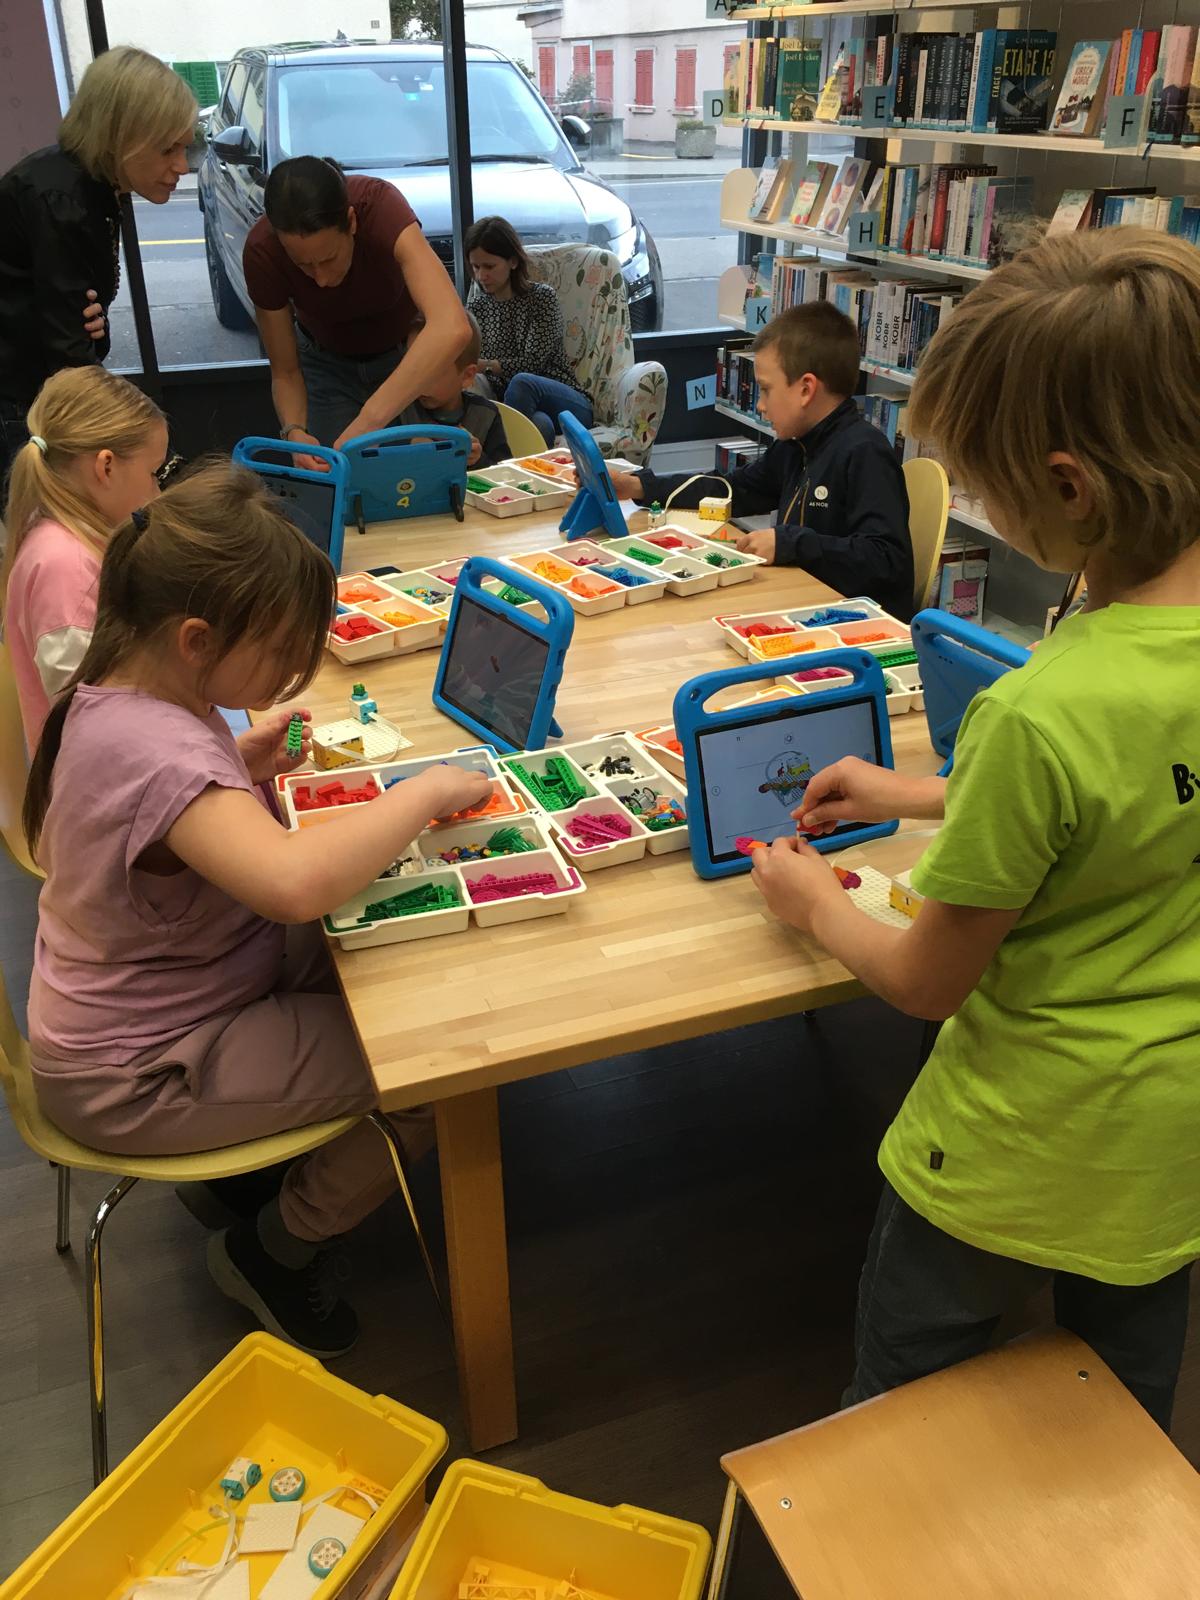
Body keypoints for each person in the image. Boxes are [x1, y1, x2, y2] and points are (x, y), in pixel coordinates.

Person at [748, 229, 1200, 1431]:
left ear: (1070, 488)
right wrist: (913, 792)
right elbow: (1145, 792)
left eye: (991, 485)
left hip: (1013, 1146)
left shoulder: (1038, 712)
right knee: (1127, 1426)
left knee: (892, 1412)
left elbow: (925, 981)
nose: (985, 504)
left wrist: (815, 903)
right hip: (1168, 1151)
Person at [22, 461, 490, 1355]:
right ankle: (275, 1248)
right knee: (439, 1064)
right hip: (138, 1073)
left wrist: (235, 764)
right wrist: (423, 791)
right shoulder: (161, 748)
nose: (288, 675)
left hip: (139, 1016)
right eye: (279, 654)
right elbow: (293, 883)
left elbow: (154, 816)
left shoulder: (125, 689)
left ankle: (249, 1175)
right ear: (196, 639)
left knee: (376, 964)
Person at [609, 302, 915, 621]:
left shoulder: (865, 452)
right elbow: (732, 489)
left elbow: (886, 559)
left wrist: (790, 544)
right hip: (806, 604)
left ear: (806, 389)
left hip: (858, 624)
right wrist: (640, 486)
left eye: (766, 390)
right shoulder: (796, 446)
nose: (760, 405)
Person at [0, 46, 196, 483]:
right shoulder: (60, 200)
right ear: (119, 137)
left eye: (185, 148)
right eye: (168, 149)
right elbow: (70, 356)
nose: (183, 166)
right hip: (18, 398)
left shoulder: (96, 186)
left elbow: (80, 321)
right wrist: (149, 454)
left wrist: (90, 323)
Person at [243, 156, 471, 458]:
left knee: (417, 472)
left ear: (351, 222)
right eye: (303, 265)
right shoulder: (262, 250)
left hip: (404, 357)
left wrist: (369, 421)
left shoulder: (380, 206)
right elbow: (285, 371)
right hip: (325, 363)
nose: (321, 279)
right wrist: (294, 431)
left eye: (329, 258)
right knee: (334, 474)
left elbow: (452, 326)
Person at [2, 367, 168, 750]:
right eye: (153, 473)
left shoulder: (57, 533)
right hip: (108, 779)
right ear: (105, 466)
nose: (157, 493)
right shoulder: (65, 567)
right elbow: (97, 728)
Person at [465, 215, 594, 448]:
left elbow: (533, 364)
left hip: (567, 403)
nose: (481, 275)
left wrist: (486, 365)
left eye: (489, 266)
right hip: (521, 408)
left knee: (522, 382)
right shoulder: (477, 307)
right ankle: (521, 467)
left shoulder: (541, 298)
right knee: (540, 425)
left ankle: (500, 450)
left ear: (513, 262)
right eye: (476, 267)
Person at [397, 311, 508, 469]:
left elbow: (504, 474)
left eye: (432, 373)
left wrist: (477, 460)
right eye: (412, 369)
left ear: (467, 376)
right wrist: (404, 447)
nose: (419, 383)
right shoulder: (399, 410)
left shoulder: (485, 415)